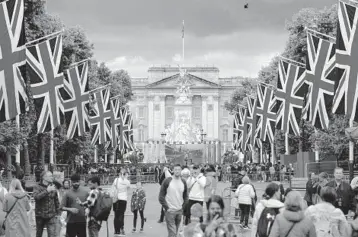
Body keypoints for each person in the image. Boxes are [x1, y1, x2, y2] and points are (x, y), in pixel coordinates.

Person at [158, 164, 188, 237]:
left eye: (179, 169)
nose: (177, 171)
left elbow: (186, 196)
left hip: (179, 210)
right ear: (173, 171)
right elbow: (161, 196)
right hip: (170, 211)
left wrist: (183, 207)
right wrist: (167, 208)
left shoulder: (183, 181)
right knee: (172, 233)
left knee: (176, 231)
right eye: (175, 169)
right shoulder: (167, 181)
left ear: (181, 171)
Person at [33, 171, 60, 237]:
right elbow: (36, 197)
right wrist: (47, 191)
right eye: (50, 176)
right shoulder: (37, 186)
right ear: (44, 177)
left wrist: (58, 213)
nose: (52, 177)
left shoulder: (53, 186)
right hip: (40, 215)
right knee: (39, 234)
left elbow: (56, 201)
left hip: (51, 215)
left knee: (52, 235)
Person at [111, 168, 130, 235]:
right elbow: (128, 188)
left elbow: (113, 187)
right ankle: (121, 228)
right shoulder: (127, 182)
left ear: (119, 174)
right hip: (123, 199)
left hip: (116, 199)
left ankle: (116, 230)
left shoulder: (116, 180)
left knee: (116, 215)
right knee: (121, 214)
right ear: (125, 174)